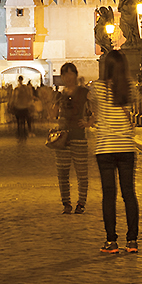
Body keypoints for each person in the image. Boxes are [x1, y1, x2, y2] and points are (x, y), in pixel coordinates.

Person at [89, 49, 140, 255]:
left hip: (105, 147)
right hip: (126, 146)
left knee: (109, 195)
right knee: (129, 193)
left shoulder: (98, 88)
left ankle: (111, 241)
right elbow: (133, 107)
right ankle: (132, 240)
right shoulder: (130, 87)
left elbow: (94, 109)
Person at [52, 62, 91, 215]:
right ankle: (66, 203)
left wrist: (88, 123)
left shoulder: (84, 92)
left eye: (70, 73)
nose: (68, 77)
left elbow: (96, 107)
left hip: (78, 135)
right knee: (62, 172)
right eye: (65, 74)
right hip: (62, 137)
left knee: (81, 172)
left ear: (75, 75)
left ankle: (81, 202)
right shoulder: (60, 95)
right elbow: (53, 114)